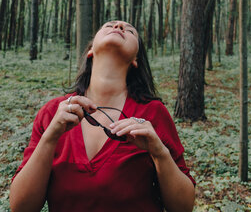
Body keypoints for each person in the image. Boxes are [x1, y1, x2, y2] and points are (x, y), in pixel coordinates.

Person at [10, 20, 195, 212]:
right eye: (110, 25)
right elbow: (21, 207)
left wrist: (159, 153)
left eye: (130, 30)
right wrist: (50, 137)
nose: (119, 27)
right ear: (90, 50)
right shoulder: (53, 112)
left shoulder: (153, 113)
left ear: (136, 60)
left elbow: (183, 207)